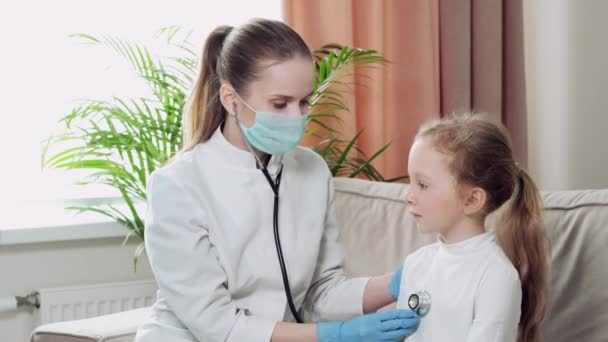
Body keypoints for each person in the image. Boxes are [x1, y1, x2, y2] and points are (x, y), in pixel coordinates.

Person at [134, 18, 419, 342]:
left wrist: (397, 282)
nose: (297, 117)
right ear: (231, 100)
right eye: (280, 104)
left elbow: (321, 292)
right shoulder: (177, 185)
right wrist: (336, 334)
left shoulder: (312, 172)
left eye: (303, 101)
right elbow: (217, 324)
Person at [395, 114, 548, 341]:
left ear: (472, 200)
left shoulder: (496, 277)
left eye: (423, 185)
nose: (409, 196)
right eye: (411, 182)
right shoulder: (416, 265)